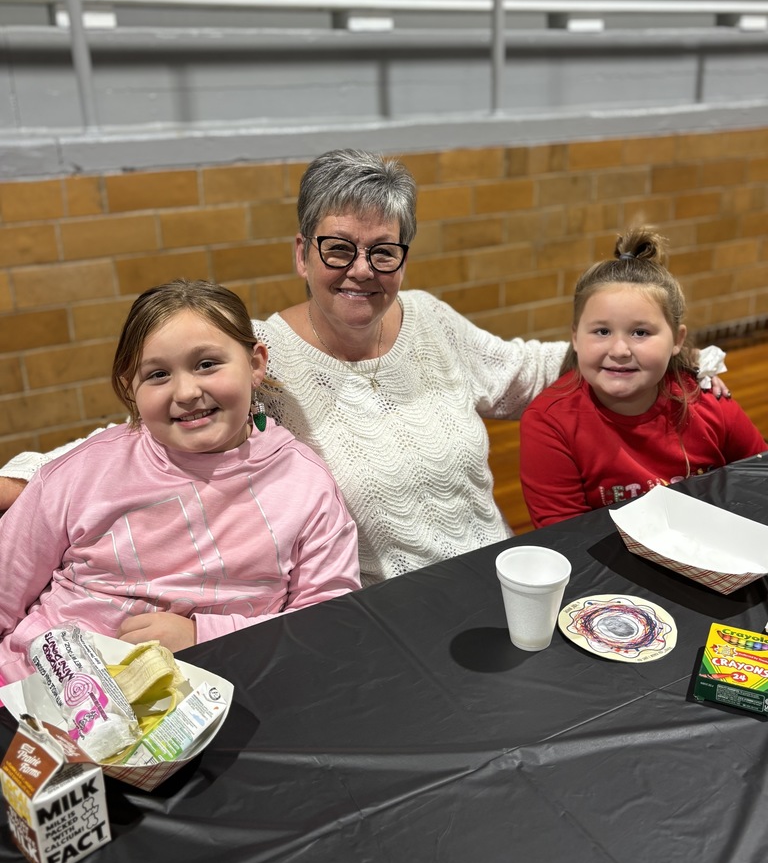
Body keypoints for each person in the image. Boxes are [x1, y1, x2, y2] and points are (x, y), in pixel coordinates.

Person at [0, 151, 726, 586]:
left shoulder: (432, 320)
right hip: (374, 606)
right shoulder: (257, 359)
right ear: (301, 253)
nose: (361, 271)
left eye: (384, 251)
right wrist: (25, 475)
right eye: (338, 247)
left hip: (497, 575)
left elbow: (527, 370)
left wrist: (677, 360)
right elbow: (135, 435)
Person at [0, 280, 360, 684]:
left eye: (207, 364)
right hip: (33, 693)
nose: (186, 392)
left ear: (256, 363)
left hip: (218, 698)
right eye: (157, 374)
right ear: (130, 388)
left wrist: (202, 635)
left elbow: (329, 623)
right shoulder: (83, 472)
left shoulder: (304, 486)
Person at [519, 227, 767, 530]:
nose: (620, 350)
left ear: (677, 339)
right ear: (574, 336)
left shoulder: (708, 402)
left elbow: (760, 482)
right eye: (602, 331)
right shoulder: (550, 422)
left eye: (640, 332)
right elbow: (564, 536)